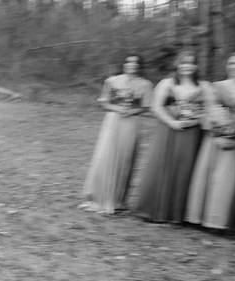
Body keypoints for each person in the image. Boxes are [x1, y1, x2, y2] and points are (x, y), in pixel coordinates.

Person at [184, 52, 235, 233]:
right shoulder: (216, 87)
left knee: (227, 179)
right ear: (227, 66)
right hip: (215, 138)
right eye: (233, 63)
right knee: (210, 176)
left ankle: (221, 221)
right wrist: (218, 133)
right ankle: (199, 217)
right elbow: (210, 109)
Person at [133, 50, 206, 223]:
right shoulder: (167, 83)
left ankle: (179, 213)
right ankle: (155, 209)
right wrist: (172, 122)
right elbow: (156, 107)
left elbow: (208, 109)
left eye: (190, 63)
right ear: (177, 65)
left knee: (186, 168)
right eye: (183, 63)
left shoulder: (203, 86)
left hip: (193, 132)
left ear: (196, 66)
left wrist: (195, 121)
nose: (187, 66)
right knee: (163, 166)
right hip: (168, 130)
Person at [80, 54, 153, 214]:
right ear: (124, 64)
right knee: (106, 155)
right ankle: (98, 197)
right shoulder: (112, 81)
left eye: (136, 63)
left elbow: (146, 107)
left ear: (140, 66)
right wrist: (117, 108)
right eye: (128, 61)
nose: (132, 65)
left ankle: (118, 199)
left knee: (125, 156)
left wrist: (133, 110)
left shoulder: (146, 84)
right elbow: (104, 102)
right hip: (113, 121)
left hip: (132, 122)